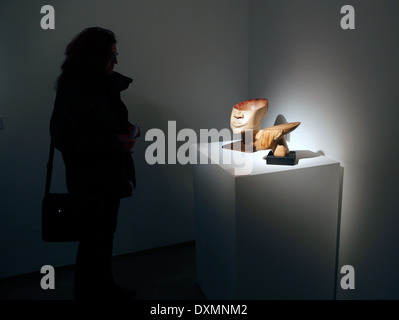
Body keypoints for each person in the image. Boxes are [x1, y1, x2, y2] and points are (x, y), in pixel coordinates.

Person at [49, 27, 139, 300]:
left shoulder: (102, 84)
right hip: (90, 179)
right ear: (93, 57)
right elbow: (62, 136)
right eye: (110, 55)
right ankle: (90, 294)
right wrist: (114, 141)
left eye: (116, 54)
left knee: (103, 237)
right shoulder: (74, 89)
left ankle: (104, 288)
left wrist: (127, 130)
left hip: (109, 175)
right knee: (92, 241)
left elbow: (104, 120)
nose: (116, 61)